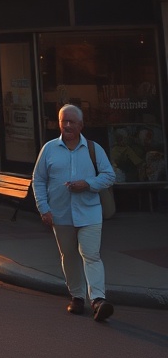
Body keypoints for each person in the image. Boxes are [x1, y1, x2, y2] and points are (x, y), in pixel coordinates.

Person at [32, 103, 116, 322]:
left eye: (71, 121)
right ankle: (77, 297)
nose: (67, 125)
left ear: (81, 125)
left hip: (89, 213)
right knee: (68, 255)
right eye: (63, 121)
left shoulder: (93, 149)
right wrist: (44, 208)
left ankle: (98, 300)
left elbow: (109, 175)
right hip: (60, 215)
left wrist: (87, 184)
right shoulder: (49, 149)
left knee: (91, 255)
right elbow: (38, 180)